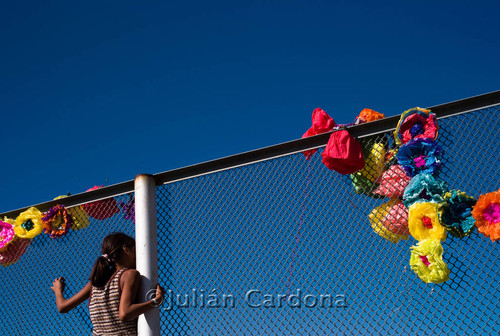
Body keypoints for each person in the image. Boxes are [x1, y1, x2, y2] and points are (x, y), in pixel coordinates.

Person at [50, 232, 165, 336]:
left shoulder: (94, 284)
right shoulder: (129, 275)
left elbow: (62, 307)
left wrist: (58, 291)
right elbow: (125, 313)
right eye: (136, 250)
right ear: (126, 249)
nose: (140, 256)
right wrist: (155, 301)